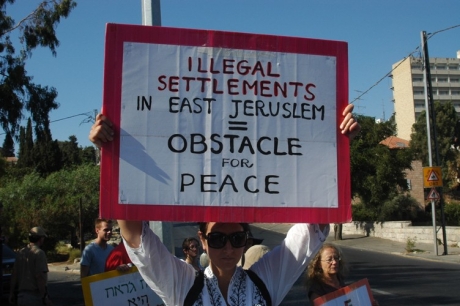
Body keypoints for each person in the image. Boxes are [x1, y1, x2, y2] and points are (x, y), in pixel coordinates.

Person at [89, 104, 360, 305]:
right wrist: (113, 152)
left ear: (246, 240)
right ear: (203, 240)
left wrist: (335, 142)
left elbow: (315, 224)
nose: (229, 248)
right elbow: (135, 235)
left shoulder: (265, 280)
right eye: (217, 238)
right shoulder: (182, 283)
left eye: (237, 238)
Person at [306, 243, 379, 306]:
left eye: (336, 258)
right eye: (329, 259)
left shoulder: (339, 280)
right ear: (319, 264)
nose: (334, 262)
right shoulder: (316, 290)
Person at [9, 227, 52, 306]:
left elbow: (14, 274)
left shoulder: (21, 252)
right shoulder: (39, 253)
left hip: (21, 297)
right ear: (40, 239)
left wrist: (11, 293)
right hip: (34, 297)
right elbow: (40, 276)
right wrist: (44, 297)